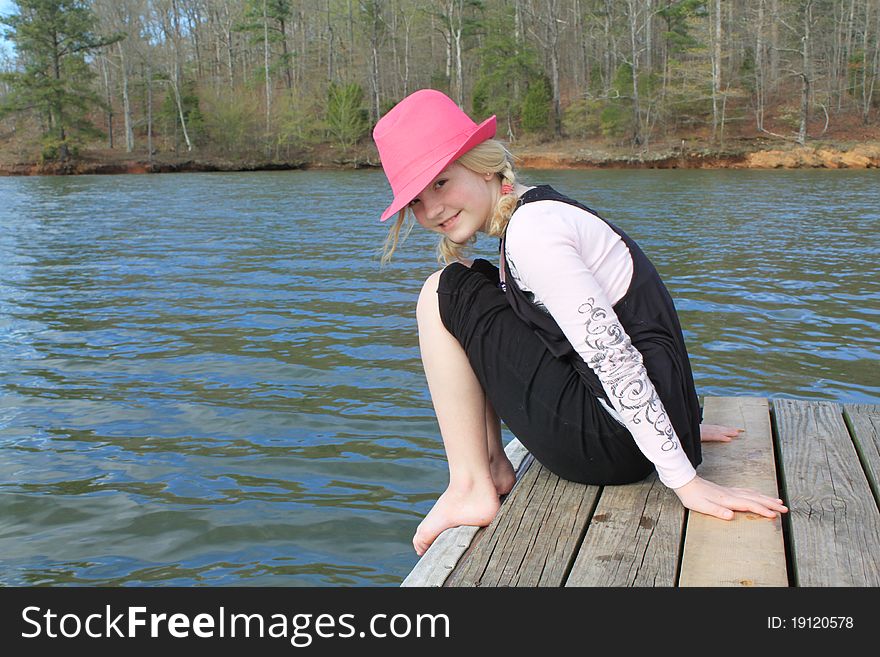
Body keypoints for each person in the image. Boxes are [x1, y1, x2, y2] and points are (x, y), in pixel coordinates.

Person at [372, 89, 788, 557]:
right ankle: (490, 467)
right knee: (472, 279)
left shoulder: (533, 235)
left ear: (483, 164)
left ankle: (472, 484)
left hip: (612, 448)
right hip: (629, 431)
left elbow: (614, 356)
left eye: (442, 183)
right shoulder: (542, 211)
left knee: (441, 292)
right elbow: (647, 323)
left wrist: (686, 481)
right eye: (417, 202)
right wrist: (681, 417)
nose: (432, 211)